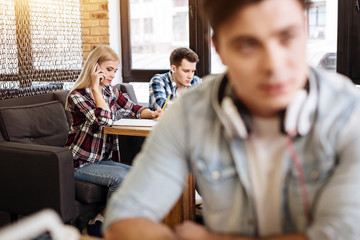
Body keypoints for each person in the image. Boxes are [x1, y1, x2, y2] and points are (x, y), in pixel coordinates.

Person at [103, 0, 360, 239]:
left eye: (287, 37)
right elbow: (121, 221)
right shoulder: (190, 113)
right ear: (219, 48)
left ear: (305, 29)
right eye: (248, 45)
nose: (273, 65)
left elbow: (344, 233)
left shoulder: (348, 110)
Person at [64, 46, 160, 236]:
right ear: (95, 68)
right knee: (123, 178)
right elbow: (104, 121)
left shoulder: (111, 92)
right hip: (80, 163)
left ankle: (98, 220)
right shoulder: (78, 96)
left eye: (115, 70)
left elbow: (134, 108)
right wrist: (95, 89)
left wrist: (152, 113)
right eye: (109, 69)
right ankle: (105, 227)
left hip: (103, 159)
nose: (113, 75)